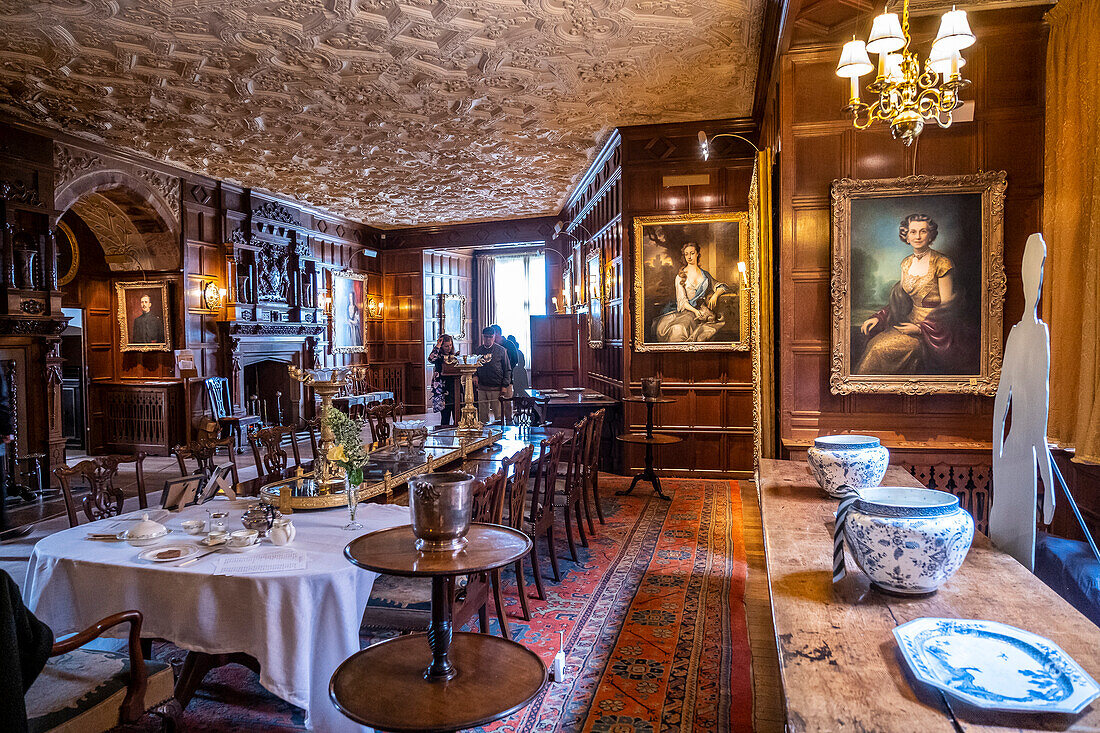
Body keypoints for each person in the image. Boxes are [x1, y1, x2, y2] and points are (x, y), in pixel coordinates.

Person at [856, 214, 969, 375]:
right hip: (908, 323)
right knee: (874, 344)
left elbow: (948, 307)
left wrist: (920, 329)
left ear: (931, 235)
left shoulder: (942, 263)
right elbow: (900, 300)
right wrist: (879, 317)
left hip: (935, 330)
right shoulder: (906, 263)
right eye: (913, 232)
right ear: (906, 236)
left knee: (880, 350)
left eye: (923, 231)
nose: (918, 236)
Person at [651, 241, 731, 343]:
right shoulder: (680, 276)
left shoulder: (705, 275)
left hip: (704, 312)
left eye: (692, 253)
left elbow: (722, 287)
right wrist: (695, 311)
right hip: (688, 312)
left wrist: (715, 295)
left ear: (697, 254)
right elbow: (682, 301)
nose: (689, 257)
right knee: (678, 328)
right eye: (686, 254)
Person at [474, 327, 511, 424]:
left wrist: (504, 386)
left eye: (490, 337)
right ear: (483, 337)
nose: (488, 339)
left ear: (494, 337)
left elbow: (507, 369)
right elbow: (474, 366)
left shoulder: (501, 350)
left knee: (498, 416)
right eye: (486, 337)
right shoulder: (478, 350)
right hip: (482, 387)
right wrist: (475, 375)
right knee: (482, 417)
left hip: (496, 387)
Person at [428, 334, 458, 427]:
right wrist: (437, 345)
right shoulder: (438, 356)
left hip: (454, 385)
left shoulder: (455, 356)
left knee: (457, 414)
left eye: (450, 345)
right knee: (445, 416)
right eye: (446, 346)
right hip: (442, 388)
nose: (448, 348)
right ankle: (445, 437)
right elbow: (430, 359)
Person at [489, 325, 517, 422]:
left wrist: (505, 370)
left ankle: (509, 421)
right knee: (497, 405)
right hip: (495, 380)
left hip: (507, 379)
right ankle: (499, 422)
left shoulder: (508, 344)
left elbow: (515, 360)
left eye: (492, 334)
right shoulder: (492, 346)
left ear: (498, 333)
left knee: (507, 402)